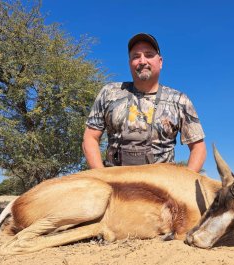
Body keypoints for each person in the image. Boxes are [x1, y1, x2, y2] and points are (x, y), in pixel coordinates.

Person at [82, 33, 206, 172]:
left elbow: (198, 148)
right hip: (114, 182)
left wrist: (182, 185)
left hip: (161, 186)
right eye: (136, 56)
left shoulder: (179, 100)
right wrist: (102, 177)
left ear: (160, 62)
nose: (142, 61)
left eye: (148, 55)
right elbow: (90, 137)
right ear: (130, 63)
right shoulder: (109, 92)